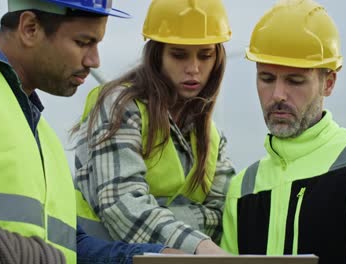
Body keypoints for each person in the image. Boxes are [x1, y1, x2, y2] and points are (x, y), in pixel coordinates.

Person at [0, 0, 182, 263]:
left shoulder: (43, 138)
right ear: (30, 28)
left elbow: (69, 246)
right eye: (83, 42)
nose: (94, 60)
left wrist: (151, 257)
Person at [220, 0, 346, 263]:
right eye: (266, 78)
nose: (277, 95)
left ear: (329, 83)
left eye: (295, 80)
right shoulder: (243, 187)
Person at [73, 0, 236, 255]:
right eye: (179, 54)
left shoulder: (213, 137)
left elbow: (222, 215)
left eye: (205, 55)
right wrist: (199, 243)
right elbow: (121, 205)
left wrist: (155, 212)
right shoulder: (118, 105)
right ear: (156, 54)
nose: (193, 69)